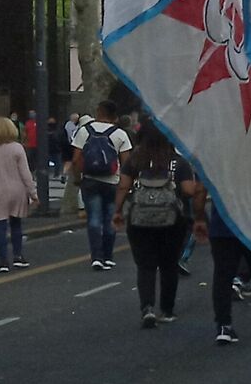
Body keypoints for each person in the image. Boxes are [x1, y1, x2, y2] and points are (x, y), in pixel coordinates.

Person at [114, 126, 200, 327]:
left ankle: (147, 308)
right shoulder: (178, 162)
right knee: (169, 265)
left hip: (139, 219)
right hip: (172, 220)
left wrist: (117, 211)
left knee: (145, 265)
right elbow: (188, 190)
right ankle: (167, 310)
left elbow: (123, 186)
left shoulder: (135, 161)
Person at [200, 196, 251, 345]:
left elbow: (202, 186)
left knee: (222, 275)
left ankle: (224, 325)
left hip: (223, 221)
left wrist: (198, 216)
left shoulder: (219, 170)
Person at [74, 101, 133, 269]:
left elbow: (76, 159)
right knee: (110, 218)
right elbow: (127, 164)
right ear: (115, 116)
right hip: (112, 183)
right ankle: (108, 256)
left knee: (93, 219)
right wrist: (125, 186)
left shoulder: (84, 131)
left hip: (90, 180)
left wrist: (78, 178)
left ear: (98, 112)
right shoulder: (120, 134)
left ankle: (96, 257)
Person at [0, 116, 36, 272]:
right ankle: (18, 256)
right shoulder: (17, 148)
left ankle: (3, 261)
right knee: (16, 224)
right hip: (16, 190)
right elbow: (25, 174)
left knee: (0, 227)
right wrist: (33, 193)